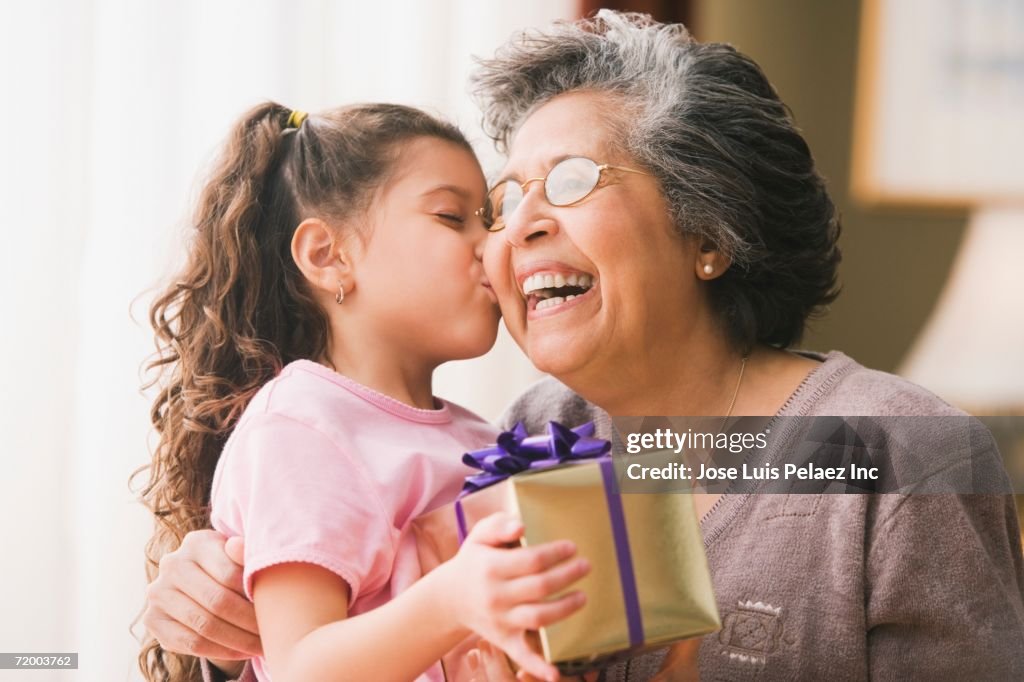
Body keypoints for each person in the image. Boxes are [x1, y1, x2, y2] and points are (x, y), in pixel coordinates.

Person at [143, 11, 1024, 681]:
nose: (512, 229)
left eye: (569, 181)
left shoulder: (899, 457)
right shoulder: (533, 437)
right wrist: (213, 576)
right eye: (499, 201)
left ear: (706, 230)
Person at [136, 101, 593, 682]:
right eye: (453, 218)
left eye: (489, 219)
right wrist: (453, 600)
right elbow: (302, 665)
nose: (493, 245)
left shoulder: (484, 439)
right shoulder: (301, 428)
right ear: (328, 257)